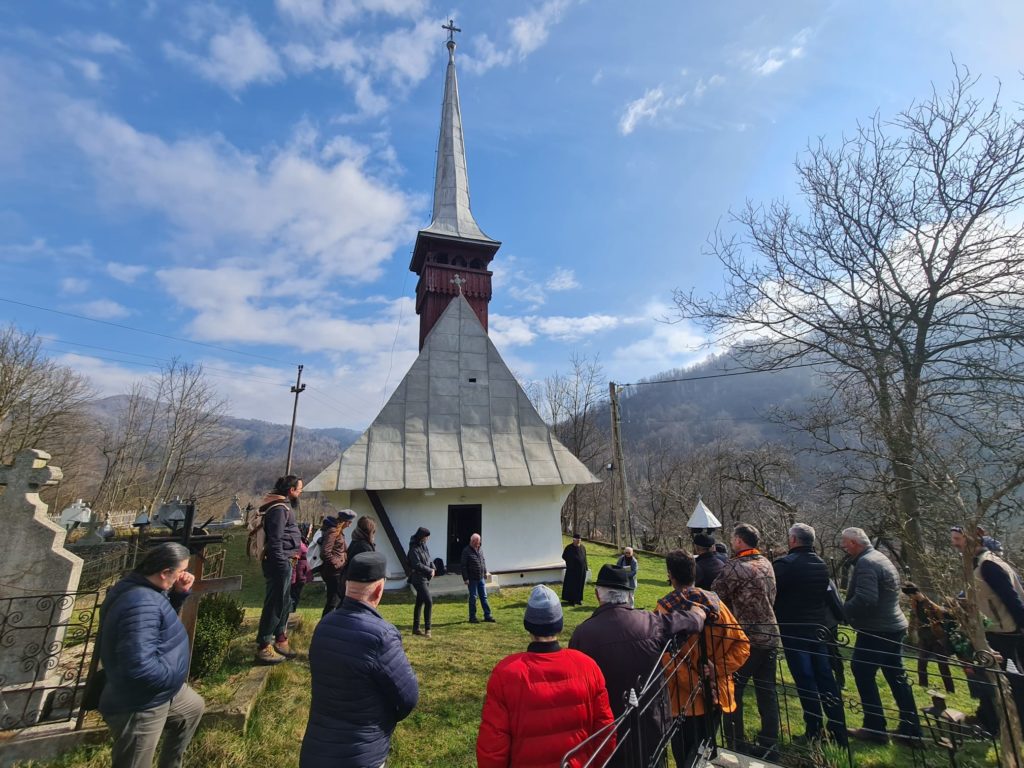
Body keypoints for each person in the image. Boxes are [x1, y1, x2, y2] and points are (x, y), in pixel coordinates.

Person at [569, 565, 705, 768]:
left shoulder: (582, 634)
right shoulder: (649, 622)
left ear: (598, 595)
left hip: (606, 731)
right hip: (650, 723)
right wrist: (698, 613)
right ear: (630, 596)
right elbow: (690, 622)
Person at [300, 552, 419, 768]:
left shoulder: (324, 626)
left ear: (346, 585)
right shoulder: (381, 636)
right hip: (360, 755)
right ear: (379, 590)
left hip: (316, 752)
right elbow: (407, 698)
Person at [477, 585, 615, 768]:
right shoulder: (587, 667)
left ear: (528, 625)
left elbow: (492, 747)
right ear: (559, 624)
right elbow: (605, 734)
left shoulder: (506, 672)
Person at [98, 542, 205, 768]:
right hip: (142, 700)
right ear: (164, 572)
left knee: (193, 708)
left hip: (162, 690)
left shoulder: (149, 590)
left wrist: (178, 595)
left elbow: (160, 624)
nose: (183, 576)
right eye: (180, 572)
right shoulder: (140, 603)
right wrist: (171, 677)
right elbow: (138, 666)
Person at [657, 550, 749, 768]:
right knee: (705, 754)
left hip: (684, 703)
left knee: (686, 757)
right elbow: (742, 645)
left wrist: (697, 685)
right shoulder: (716, 604)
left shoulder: (665, 610)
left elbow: (667, 659)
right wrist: (717, 669)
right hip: (717, 694)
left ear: (671, 575)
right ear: (694, 572)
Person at [840, 527, 922, 745]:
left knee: (862, 670)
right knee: (897, 676)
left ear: (855, 543)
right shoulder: (879, 557)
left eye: (845, 543)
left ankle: (875, 727)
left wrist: (843, 611)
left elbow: (866, 599)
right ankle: (911, 730)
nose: (842, 546)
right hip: (894, 626)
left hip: (877, 630)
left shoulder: (866, 563)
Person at [772, 523, 847, 746]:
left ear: (793, 540)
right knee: (825, 678)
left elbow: (774, 594)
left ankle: (813, 729)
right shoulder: (821, 565)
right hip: (818, 629)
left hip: (795, 630)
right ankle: (837, 729)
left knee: (805, 680)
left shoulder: (785, 565)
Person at [711, 524, 780, 757]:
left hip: (746, 638)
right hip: (771, 633)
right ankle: (770, 742)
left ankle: (735, 741)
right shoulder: (766, 563)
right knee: (767, 690)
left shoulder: (736, 567)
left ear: (740, 541)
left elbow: (715, 594)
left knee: (733, 688)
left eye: (733, 538)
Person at [951, 525, 1024, 732]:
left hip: (1003, 631)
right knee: (987, 677)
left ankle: (993, 725)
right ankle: (988, 719)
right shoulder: (982, 562)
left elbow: (1012, 599)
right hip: (996, 629)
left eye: (958, 539)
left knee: (998, 681)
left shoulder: (988, 565)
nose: (954, 543)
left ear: (973, 539)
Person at [255, 475, 304, 664]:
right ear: (291, 490)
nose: (300, 493)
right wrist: (282, 562)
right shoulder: (278, 510)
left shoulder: (282, 507)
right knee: (275, 602)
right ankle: (264, 645)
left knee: (284, 601)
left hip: (286, 560)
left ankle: (280, 639)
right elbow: (275, 540)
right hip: (279, 562)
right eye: (299, 489)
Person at [903, 582, 956, 693]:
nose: (910, 597)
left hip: (936, 637)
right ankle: (923, 686)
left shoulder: (928, 604)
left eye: (911, 595)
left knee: (943, 665)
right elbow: (915, 618)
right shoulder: (915, 603)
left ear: (916, 593)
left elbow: (943, 616)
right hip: (924, 636)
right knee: (921, 662)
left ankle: (950, 690)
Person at [319, 509, 356, 617]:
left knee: (338, 600)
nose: (349, 526)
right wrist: (337, 564)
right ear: (345, 521)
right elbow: (325, 553)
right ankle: (325, 626)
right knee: (332, 602)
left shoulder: (337, 531)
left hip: (336, 572)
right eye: (349, 523)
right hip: (333, 573)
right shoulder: (333, 531)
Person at [461, 533, 496, 624]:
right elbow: (463, 566)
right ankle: (472, 617)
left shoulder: (480, 549)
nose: (478, 544)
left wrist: (485, 572)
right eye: (477, 542)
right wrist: (465, 578)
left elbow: (482, 561)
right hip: (472, 579)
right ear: (472, 541)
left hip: (481, 578)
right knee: (473, 597)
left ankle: (487, 615)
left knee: (484, 597)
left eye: (479, 542)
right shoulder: (466, 551)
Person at [407, 526, 434, 637]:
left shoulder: (423, 545)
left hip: (425, 577)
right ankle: (428, 629)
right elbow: (416, 565)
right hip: (418, 578)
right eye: (427, 537)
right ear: (422, 536)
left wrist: (433, 568)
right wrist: (429, 570)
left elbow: (428, 558)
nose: (427, 539)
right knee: (428, 601)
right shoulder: (413, 548)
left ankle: (415, 628)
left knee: (419, 602)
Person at [561, 533, 588, 606]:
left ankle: (578, 599)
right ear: (573, 540)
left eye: (579, 540)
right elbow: (564, 556)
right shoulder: (569, 548)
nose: (578, 542)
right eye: (577, 540)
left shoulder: (583, 547)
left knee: (580, 585)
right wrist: (570, 562)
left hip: (581, 570)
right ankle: (571, 600)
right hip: (572, 570)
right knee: (572, 585)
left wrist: (586, 568)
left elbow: (584, 558)